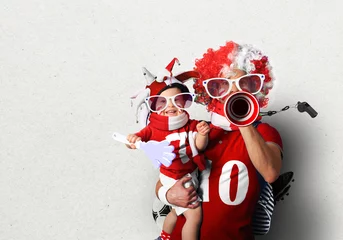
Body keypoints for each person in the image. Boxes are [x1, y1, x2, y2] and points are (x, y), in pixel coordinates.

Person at [155, 41, 284, 240]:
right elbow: (164, 178)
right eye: (223, 85)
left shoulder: (264, 132)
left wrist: (242, 118)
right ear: (212, 92)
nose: (233, 92)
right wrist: (168, 195)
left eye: (244, 84)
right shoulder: (197, 130)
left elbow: (270, 172)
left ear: (255, 89)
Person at [127, 80, 210, 240]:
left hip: (188, 173)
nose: (170, 106)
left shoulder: (191, 125)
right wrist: (132, 140)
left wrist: (202, 134)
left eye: (177, 101)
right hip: (174, 177)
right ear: (155, 108)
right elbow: (136, 140)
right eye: (163, 103)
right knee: (194, 216)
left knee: (174, 211)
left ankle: (164, 236)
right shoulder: (153, 128)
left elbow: (199, 146)